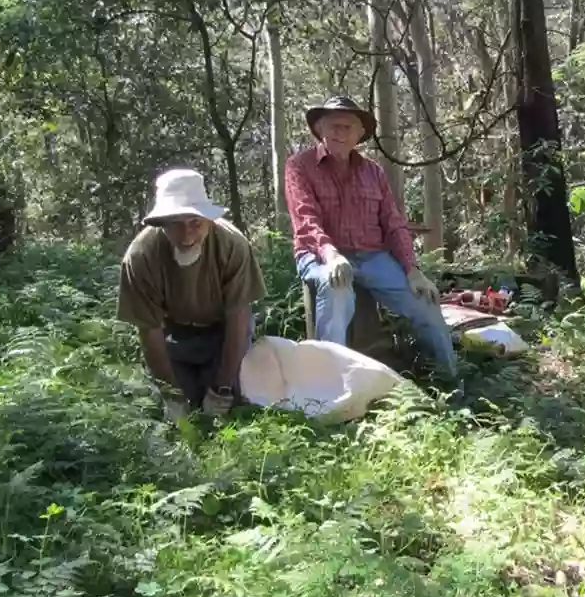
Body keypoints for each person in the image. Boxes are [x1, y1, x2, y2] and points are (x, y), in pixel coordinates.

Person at [284, 95, 457, 376]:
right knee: (336, 288)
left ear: (360, 134)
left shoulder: (372, 172)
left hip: (373, 256)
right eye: (333, 126)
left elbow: (393, 222)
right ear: (319, 129)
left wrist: (412, 270)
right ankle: (331, 388)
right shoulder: (299, 166)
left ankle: (452, 381)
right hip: (319, 255)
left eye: (348, 127)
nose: (340, 132)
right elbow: (305, 218)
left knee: (425, 302)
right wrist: (331, 254)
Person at [117, 168, 266, 420]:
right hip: (175, 336)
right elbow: (150, 331)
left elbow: (238, 318)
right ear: (162, 224)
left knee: (233, 404)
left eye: (195, 223)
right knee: (179, 408)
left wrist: (222, 386)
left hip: (224, 332)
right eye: (175, 224)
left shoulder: (233, 245)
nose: (186, 236)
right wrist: (172, 393)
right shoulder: (140, 257)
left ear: (209, 220)